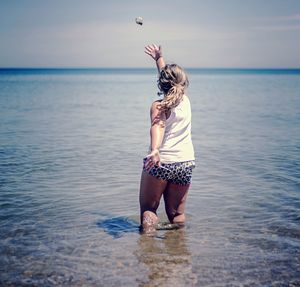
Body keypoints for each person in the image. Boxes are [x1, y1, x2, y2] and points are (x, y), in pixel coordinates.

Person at [139, 44, 195, 233]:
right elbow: (170, 81)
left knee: (149, 209)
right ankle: (178, 252)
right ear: (183, 83)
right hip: (185, 163)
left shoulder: (159, 105)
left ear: (160, 84)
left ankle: (148, 250)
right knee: (176, 214)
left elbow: (158, 126)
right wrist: (159, 59)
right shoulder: (185, 101)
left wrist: (155, 150)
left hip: (161, 162)